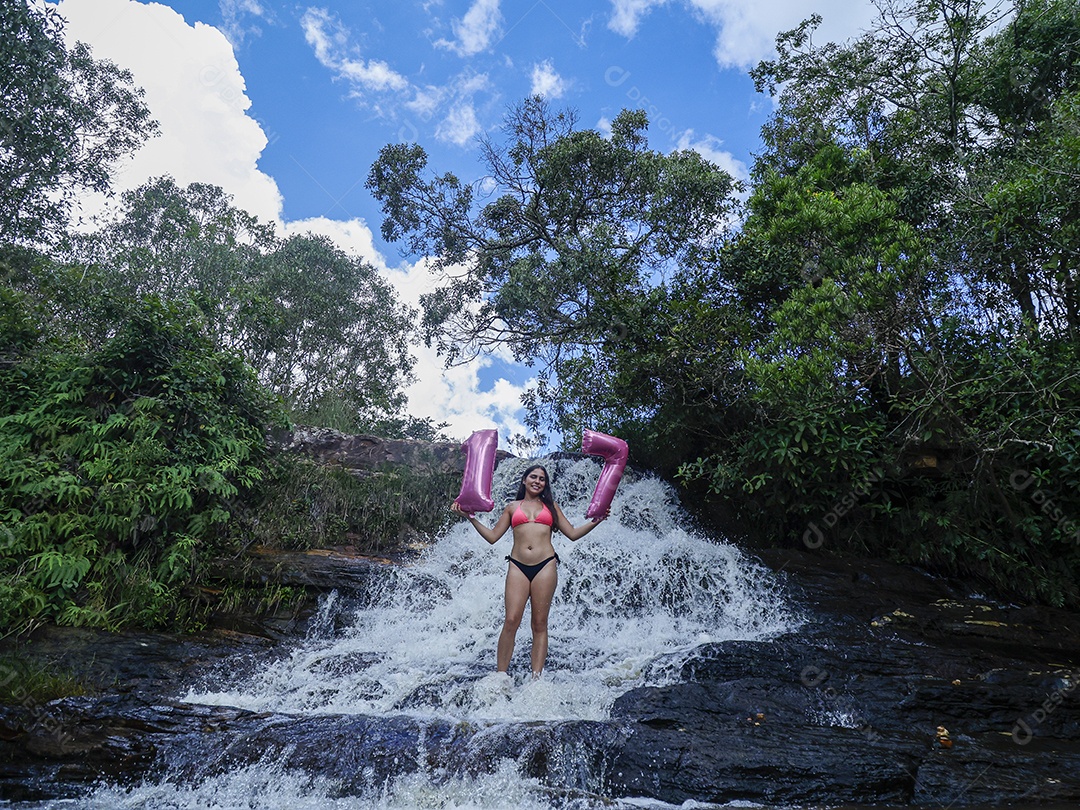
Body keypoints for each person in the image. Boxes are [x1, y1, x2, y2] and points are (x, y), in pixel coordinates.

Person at [451, 464, 605, 679]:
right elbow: (493, 537)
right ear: (524, 480)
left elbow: (572, 533)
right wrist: (471, 518)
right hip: (517, 565)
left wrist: (596, 522)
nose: (538, 481)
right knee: (511, 620)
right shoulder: (512, 507)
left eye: (542, 479)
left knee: (539, 624)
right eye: (533, 476)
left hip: (546, 565)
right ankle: (500, 676)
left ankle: (536, 678)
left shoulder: (551, 507)